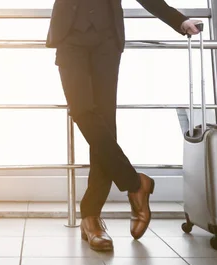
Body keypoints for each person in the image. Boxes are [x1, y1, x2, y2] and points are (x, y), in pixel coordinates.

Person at [47, 0, 202, 251]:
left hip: (106, 41)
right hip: (69, 38)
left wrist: (179, 20)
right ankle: (135, 183)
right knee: (82, 111)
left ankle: (91, 217)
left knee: (105, 123)